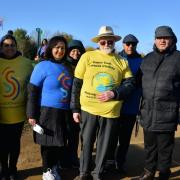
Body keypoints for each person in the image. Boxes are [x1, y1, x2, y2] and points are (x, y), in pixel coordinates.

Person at [71, 26, 135, 180]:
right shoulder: (87, 56)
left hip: (110, 111)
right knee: (86, 142)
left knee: (104, 145)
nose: (107, 44)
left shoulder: (122, 61)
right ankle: (83, 173)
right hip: (88, 109)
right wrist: (75, 108)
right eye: (104, 41)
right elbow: (76, 83)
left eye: (110, 41)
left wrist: (114, 93)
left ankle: (97, 173)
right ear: (99, 42)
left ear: (114, 42)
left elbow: (130, 84)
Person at [27, 36, 73, 180]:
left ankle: (54, 166)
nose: (60, 50)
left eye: (63, 48)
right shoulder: (42, 66)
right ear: (50, 49)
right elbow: (32, 91)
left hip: (64, 111)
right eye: (57, 47)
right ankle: (46, 170)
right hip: (47, 111)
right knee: (47, 142)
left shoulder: (67, 67)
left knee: (59, 141)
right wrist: (31, 114)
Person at [138, 26, 180, 180]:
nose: (162, 40)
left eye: (166, 37)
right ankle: (149, 172)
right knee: (149, 146)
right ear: (155, 40)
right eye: (159, 37)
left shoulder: (178, 58)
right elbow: (136, 82)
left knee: (164, 148)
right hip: (147, 112)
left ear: (172, 39)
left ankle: (163, 173)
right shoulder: (147, 58)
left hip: (167, 112)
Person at [105, 34, 142, 173]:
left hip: (131, 106)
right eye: (128, 44)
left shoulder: (141, 61)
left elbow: (140, 83)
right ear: (123, 44)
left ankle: (120, 163)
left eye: (133, 44)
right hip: (114, 105)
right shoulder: (116, 58)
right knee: (111, 136)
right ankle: (109, 162)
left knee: (125, 139)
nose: (130, 46)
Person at [0, 33, 33, 180]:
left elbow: (33, 85)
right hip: (0, 114)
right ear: (1, 47)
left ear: (16, 47)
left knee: (14, 143)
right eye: (6, 45)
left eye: (12, 45)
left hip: (18, 113)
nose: (9, 48)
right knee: (1, 145)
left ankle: (13, 169)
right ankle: (3, 170)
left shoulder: (25, 63)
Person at [63, 40, 85, 168]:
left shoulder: (84, 64)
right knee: (63, 132)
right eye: (73, 50)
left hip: (78, 104)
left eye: (78, 50)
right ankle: (62, 158)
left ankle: (72, 157)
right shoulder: (63, 64)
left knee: (74, 133)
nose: (76, 53)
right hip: (64, 104)